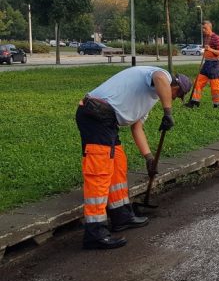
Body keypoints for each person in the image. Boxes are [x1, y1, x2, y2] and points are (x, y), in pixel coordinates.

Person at [76, 66, 191, 249]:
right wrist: (167, 112)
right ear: (174, 85)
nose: (174, 99)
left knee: (118, 164)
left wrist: (149, 158)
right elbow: (161, 79)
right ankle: (95, 232)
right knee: (100, 171)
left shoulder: (149, 100)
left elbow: (137, 128)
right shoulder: (162, 76)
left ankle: (121, 215)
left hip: (107, 121)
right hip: (95, 114)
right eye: (176, 95)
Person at [187, 20, 219, 108]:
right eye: (202, 28)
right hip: (207, 63)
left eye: (205, 28)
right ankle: (194, 102)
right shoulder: (206, 38)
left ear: (210, 28)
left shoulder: (217, 38)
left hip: (214, 65)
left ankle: (217, 105)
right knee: (198, 83)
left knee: (215, 86)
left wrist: (210, 49)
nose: (203, 30)